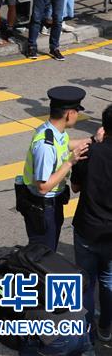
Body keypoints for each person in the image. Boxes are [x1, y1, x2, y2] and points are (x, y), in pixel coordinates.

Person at [14, 86, 91, 252]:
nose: (77, 115)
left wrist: (92, 140)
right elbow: (43, 186)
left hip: (51, 204)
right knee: (44, 255)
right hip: (43, 208)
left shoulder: (53, 131)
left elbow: (65, 145)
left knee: (47, 252)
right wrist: (70, 162)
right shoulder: (45, 146)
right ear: (70, 113)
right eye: (77, 112)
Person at [71, 104, 112, 346]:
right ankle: (105, 327)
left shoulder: (90, 152)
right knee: (108, 281)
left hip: (87, 228)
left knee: (85, 282)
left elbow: (75, 187)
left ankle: (87, 332)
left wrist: (95, 144)